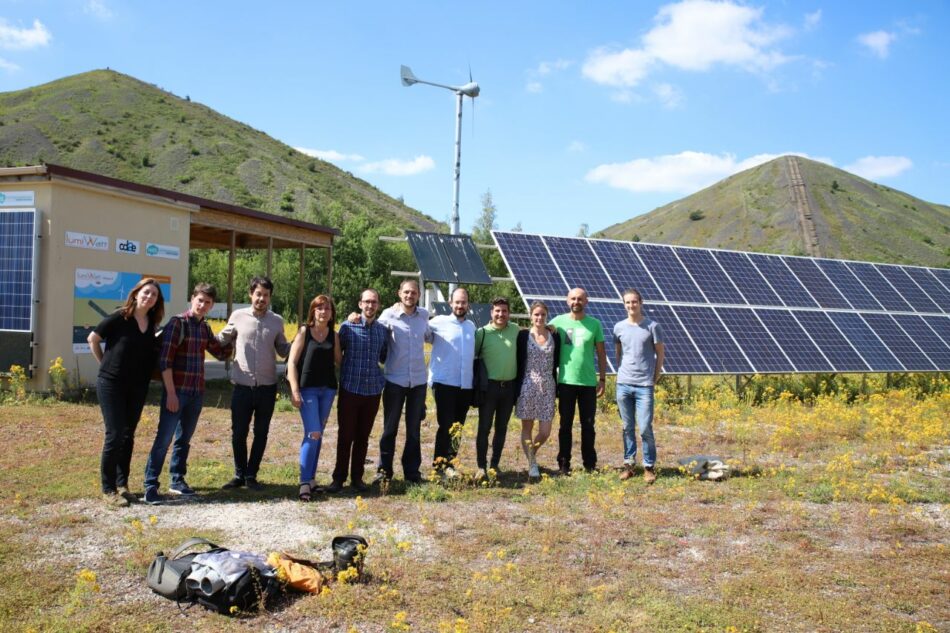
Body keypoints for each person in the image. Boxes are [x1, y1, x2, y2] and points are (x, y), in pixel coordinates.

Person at [143, 283, 232, 505]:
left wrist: (237, 335)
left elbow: (219, 353)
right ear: (192, 299)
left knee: (184, 439)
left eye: (207, 302)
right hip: (177, 392)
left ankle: (177, 480)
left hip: (196, 393)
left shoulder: (204, 327)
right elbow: (165, 361)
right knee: (163, 439)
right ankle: (150, 485)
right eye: (199, 300)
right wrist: (171, 394)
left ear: (212, 306)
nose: (202, 305)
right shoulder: (177, 323)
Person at [87, 278, 165, 507]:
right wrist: (104, 365)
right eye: (146, 292)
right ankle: (108, 488)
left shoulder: (151, 323)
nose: (149, 297)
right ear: (136, 293)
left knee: (129, 434)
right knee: (115, 433)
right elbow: (93, 339)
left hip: (137, 386)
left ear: (156, 302)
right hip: (111, 384)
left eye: (154, 295)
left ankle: (123, 485)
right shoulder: (119, 316)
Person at [218, 276, 292, 491]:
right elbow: (220, 339)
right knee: (239, 432)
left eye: (266, 295)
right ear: (251, 294)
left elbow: (283, 350)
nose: (262, 298)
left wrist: (302, 340)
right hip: (242, 386)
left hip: (267, 388)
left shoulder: (277, 321)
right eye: (258, 294)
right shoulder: (237, 316)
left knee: (261, 433)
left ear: (270, 297)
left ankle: (252, 475)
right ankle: (239, 474)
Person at [330, 289, 388, 493]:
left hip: (372, 391)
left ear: (378, 305)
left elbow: (383, 357)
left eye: (374, 302)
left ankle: (357, 478)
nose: (370, 306)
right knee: (345, 436)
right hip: (350, 389)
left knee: (363, 437)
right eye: (367, 302)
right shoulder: (348, 327)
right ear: (360, 304)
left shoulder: (383, 331)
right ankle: (338, 478)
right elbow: (337, 354)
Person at [286, 294, 341, 500]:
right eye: (319, 308)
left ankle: (311, 479)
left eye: (327, 308)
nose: (323, 312)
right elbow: (291, 363)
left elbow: (339, 361)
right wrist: (294, 390)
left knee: (319, 434)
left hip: (327, 391)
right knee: (313, 433)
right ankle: (303, 482)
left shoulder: (333, 336)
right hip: (307, 390)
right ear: (313, 311)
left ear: (331, 313)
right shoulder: (304, 332)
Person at [375, 279, 429, 485]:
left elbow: (432, 336)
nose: (410, 296)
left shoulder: (423, 316)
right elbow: (372, 329)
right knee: (390, 428)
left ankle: (412, 472)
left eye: (413, 293)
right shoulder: (388, 315)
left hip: (418, 382)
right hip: (394, 381)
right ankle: (384, 471)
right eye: (406, 292)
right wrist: (355, 317)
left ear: (418, 295)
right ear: (399, 294)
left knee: (414, 430)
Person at [550, 287, 607, 474]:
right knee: (565, 425)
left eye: (580, 299)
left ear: (586, 301)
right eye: (573, 299)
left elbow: (600, 353)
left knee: (588, 425)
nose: (576, 302)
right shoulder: (558, 322)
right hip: (566, 382)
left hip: (588, 383)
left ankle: (589, 464)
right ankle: (564, 464)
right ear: (567, 301)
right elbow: (538, 330)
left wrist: (603, 379)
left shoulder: (595, 324)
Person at [614, 289, 664, 484]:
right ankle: (628, 464)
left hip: (644, 385)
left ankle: (649, 466)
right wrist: (621, 373)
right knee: (627, 427)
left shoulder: (653, 326)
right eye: (627, 302)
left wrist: (655, 376)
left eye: (634, 302)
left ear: (641, 303)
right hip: (624, 384)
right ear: (624, 304)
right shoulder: (618, 327)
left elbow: (660, 352)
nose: (631, 306)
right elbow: (619, 352)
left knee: (644, 428)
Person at [426, 287, 476, 478]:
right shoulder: (438, 322)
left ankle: (451, 463)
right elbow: (419, 332)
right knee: (445, 425)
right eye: (457, 302)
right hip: (444, 382)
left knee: (458, 427)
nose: (460, 305)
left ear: (468, 304)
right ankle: (439, 465)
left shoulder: (471, 327)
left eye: (463, 302)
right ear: (450, 303)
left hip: (465, 385)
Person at [473, 296, 520, 479]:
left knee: (502, 427)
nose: (501, 314)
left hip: (509, 388)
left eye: (504, 311)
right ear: (491, 312)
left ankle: (494, 464)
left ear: (509, 313)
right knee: (484, 428)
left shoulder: (515, 330)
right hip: (489, 388)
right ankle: (481, 466)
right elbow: (473, 358)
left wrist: (551, 327)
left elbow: (535, 331)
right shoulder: (482, 333)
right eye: (497, 311)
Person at [515, 300, 560, 480]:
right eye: (536, 314)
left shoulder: (554, 335)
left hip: (548, 385)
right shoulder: (523, 336)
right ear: (531, 316)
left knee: (545, 431)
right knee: (527, 426)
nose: (539, 317)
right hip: (527, 384)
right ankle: (532, 463)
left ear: (546, 316)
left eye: (542, 314)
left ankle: (531, 451)